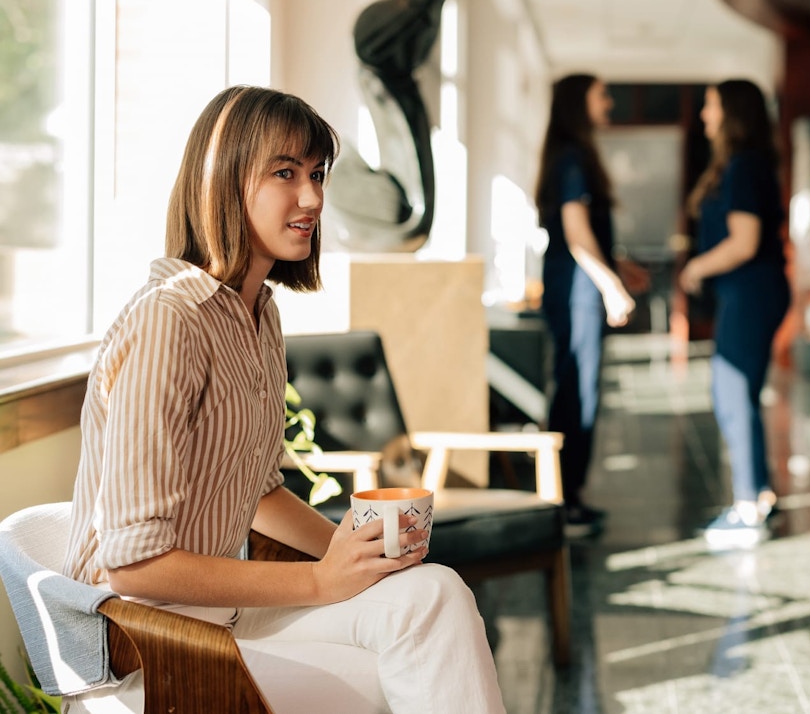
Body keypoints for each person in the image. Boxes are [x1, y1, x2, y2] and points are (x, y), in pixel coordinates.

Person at [63, 85, 506, 714]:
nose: (313, 197)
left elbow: (257, 490)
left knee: (431, 593)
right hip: (148, 642)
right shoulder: (169, 321)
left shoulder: (258, 314)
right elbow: (135, 566)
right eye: (285, 173)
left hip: (223, 610)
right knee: (410, 667)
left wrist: (354, 551)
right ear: (222, 178)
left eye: (318, 174)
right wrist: (321, 580)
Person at [533, 74, 648, 537]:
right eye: (601, 94)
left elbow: (578, 236)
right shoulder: (573, 158)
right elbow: (578, 237)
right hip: (577, 288)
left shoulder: (568, 157)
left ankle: (569, 496)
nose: (609, 101)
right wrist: (612, 287)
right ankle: (563, 500)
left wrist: (618, 266)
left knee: (573, 387)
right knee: (577, 391)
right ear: (579, 103)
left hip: (570, 282)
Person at [680, 79, 790, 549]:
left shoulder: (745, 165)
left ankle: (748, 511)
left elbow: (744, 242)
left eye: (710, 106)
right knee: (738, 394)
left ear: (732, 112)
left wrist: (697, 267)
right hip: (751, 292)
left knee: (730, 394)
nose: (705, 116)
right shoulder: (743, 164)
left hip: (751, 291)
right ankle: (760, 495)